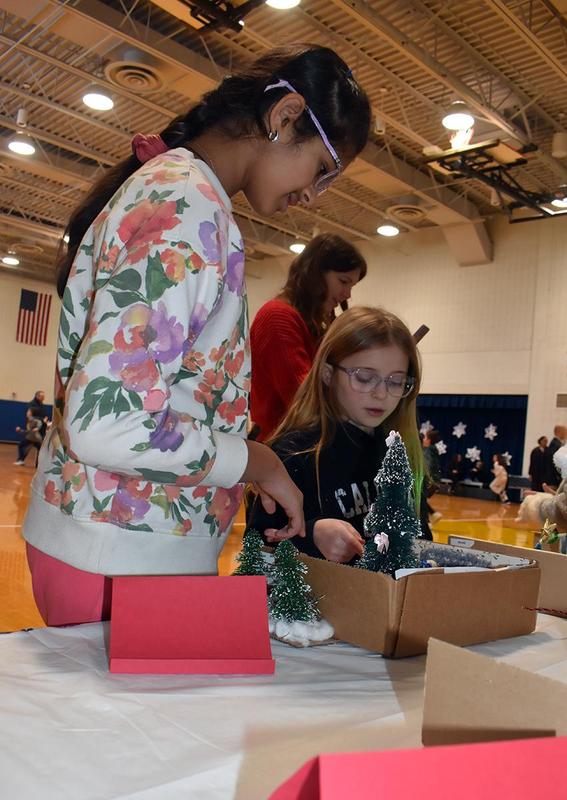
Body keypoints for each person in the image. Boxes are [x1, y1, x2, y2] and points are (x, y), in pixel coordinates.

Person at [22, 44, 372, 626]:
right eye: (323, 169)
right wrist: (255, 461)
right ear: (285, 116)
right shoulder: (188, 204)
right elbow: (106, 422)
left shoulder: (184, 192)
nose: (314, 194)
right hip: (119, 553)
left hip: (118, 543)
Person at [248, 306, 430, 564]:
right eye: (364, 378)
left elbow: (423, 541)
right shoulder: (292, 454)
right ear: (327, 374)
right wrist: (311, 537)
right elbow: (255, 552)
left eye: (395, 381)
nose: (381, 394)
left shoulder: (401, 453)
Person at [250, 233, 366, 440]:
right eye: (343, 282)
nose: (347, 294)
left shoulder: (314, 323)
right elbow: (302, 395)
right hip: (281, 444)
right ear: (316, 274)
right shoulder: (278, 316)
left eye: (351, 286)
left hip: (301, 439)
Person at [422, 429, 442, 524]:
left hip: (431, 480)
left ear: (429, 440)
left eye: (425, 437)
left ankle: (428, 520)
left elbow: (428, 465)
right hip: (434, 480)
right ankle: (432, 515)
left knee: (418, 499)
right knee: (420, 499)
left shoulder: (429, 450)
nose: (423, 440)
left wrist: (426, 478)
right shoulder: (432, 449)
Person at [544, 425, 567, 492]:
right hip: (554, 480)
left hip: (554, 479)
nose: (566, 433)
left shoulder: (555, 444)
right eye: (565, 431)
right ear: (559, 432)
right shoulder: (556, 445)